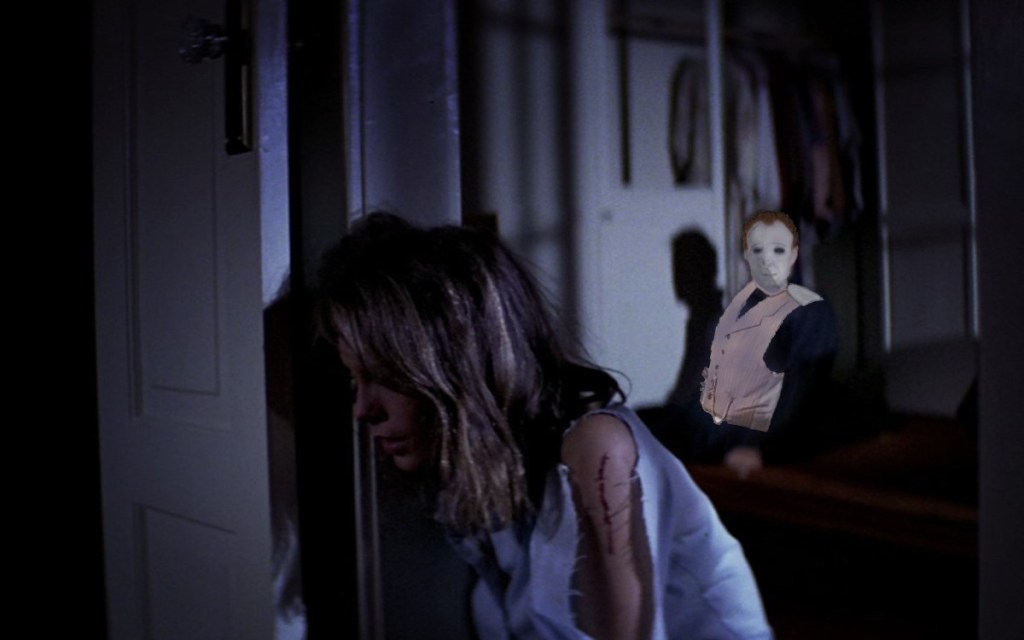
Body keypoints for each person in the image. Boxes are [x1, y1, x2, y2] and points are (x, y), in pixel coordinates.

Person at [316, 212, 773, 639]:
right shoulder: (480, 484)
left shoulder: (596, 450)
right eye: (355, 380)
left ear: (457, 361)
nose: (362, 409)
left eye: (385, 375)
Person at [650, 211, 838, 479]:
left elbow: (808, 395)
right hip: (703, 430)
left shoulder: (806, 311)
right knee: (630, 424)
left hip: (737, 441)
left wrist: (764, 453)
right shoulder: (736, 312)